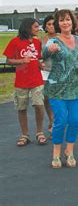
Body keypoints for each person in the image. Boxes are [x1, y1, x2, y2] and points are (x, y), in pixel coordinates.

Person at [43, 9, 78, 168]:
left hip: (75, 87)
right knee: (60, 121)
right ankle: (56, 153)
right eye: (61, 20)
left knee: (75, 120)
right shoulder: (53, 41)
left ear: (72, 22)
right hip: (57, 87)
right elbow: (44, 53)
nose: (65, 23)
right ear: (57, 24)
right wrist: (49, 51)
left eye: (67, 19)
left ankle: (69, 151)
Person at [4, 18, 47, 146]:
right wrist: (21, 61)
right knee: (22, 107)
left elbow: (36, 58)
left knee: (39, 105)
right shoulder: (15, 42)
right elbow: (8, 60)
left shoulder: (37, 42)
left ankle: (40, 132)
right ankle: (25, 134)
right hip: (21, 81)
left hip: (37, 80)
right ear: (27, 28)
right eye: (35, 27)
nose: (38, 29)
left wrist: (40, 64)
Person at [41, 15, 56, 135]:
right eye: (49, 24)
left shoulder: (61, 38)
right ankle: (51, 120)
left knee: (56, 98)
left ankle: (57, 122)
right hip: (45, 71)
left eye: (53, 24)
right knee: (46, 97)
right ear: (45, 26)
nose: (51, 26)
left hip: (58, 72)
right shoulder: (42, 39)